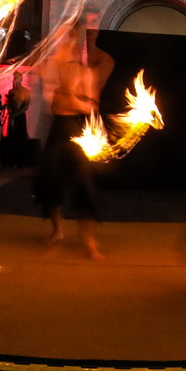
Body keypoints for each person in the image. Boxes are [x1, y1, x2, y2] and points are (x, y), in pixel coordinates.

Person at [35, 18, 109, 258]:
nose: (67, 42)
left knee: (83, 183)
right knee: (50, 180)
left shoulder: (85, 72)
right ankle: (57, 231)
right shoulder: (53, 65)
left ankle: (89, 240)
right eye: (64, 36)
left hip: (79, 128)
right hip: (59, 128)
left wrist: (70, 97)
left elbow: (91, 107)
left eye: (71, 37)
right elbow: (51, 102)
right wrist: (62, 95)